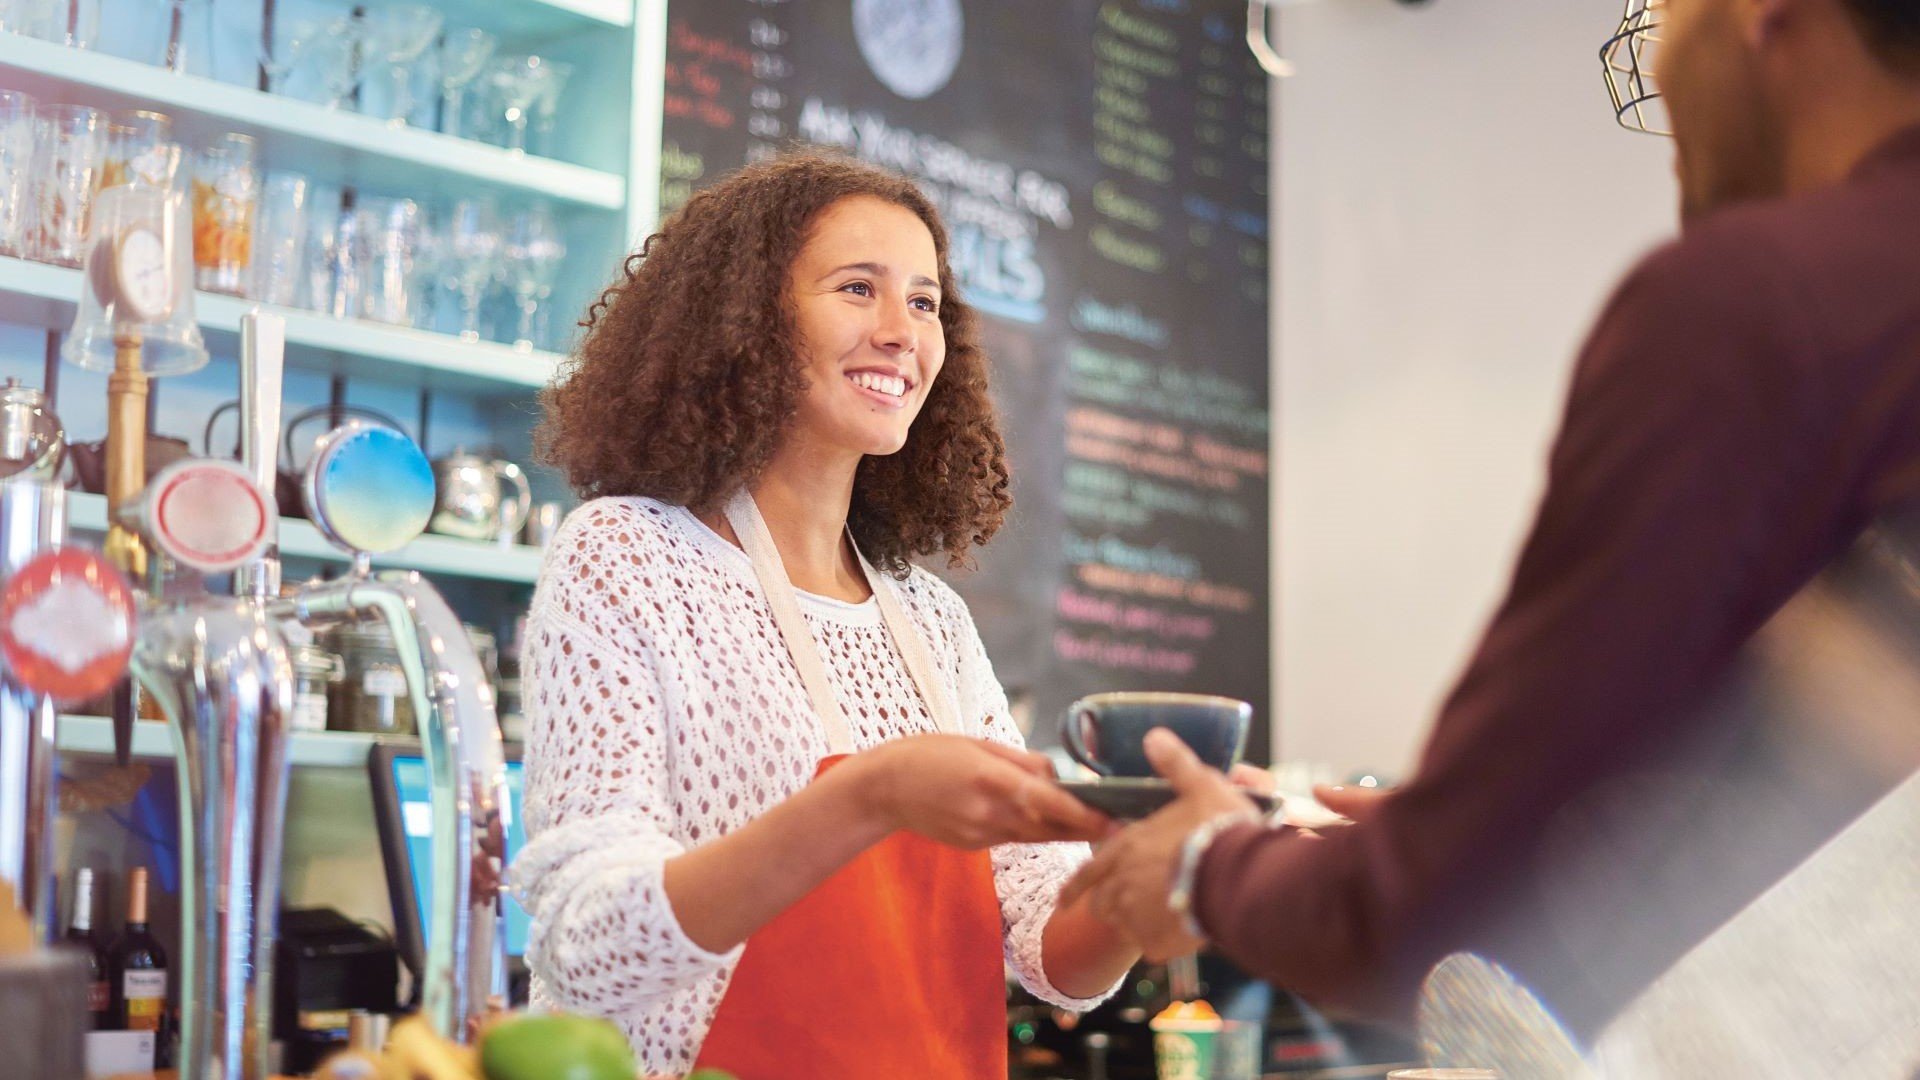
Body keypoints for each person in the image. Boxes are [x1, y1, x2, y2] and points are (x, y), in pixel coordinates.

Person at [1063, 0, 1920, 1041]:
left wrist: (1205, 863)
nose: (1658, 70)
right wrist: (1482, 826)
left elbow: (1403, 926)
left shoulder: (1757, 304)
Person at [511, 151, 1140, 1078]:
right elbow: (585, 941)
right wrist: (866, 797)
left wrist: (1150, 884)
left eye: (925, 303)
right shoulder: (626, 559)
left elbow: (1049, 945)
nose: (902, 333)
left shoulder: (932, 622)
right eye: (859, 288)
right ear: (746, 318)